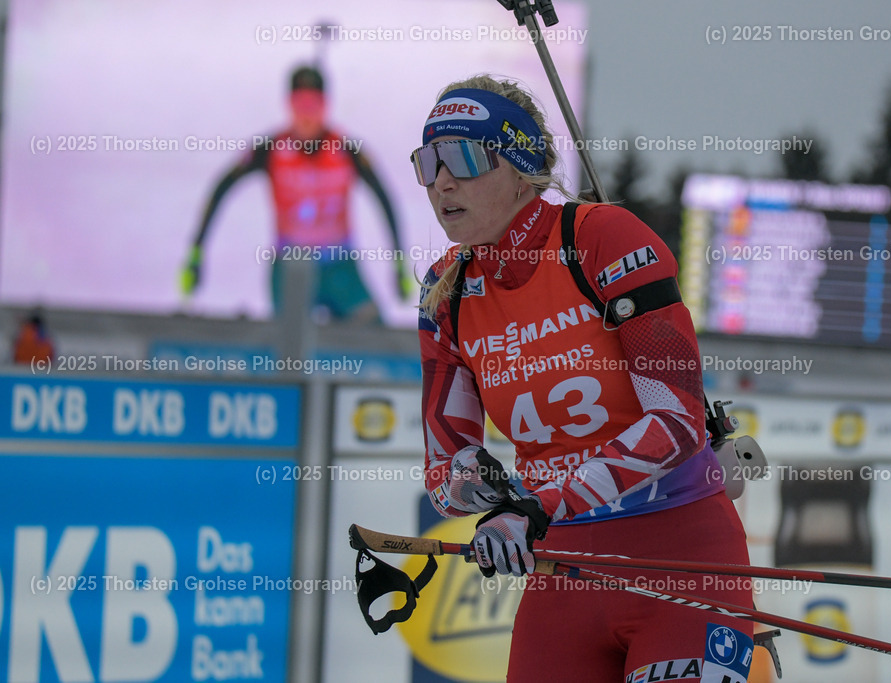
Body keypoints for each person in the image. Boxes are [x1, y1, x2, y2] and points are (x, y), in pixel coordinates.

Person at [415, 75, 754, 682]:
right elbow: (445, 467)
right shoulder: (447, 294)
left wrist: (540, 504)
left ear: (520, 168)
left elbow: (675, 421)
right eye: (428, 161)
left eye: (463, 157)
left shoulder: (601, 239)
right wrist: (491, 501)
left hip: (680, 559)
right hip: (563, 573)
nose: (442, 182)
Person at [182, 65, 410, 322]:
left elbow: (385, 199)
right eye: (300, 104)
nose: (307, 115)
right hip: (289, 264)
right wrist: (197, 252)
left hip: (340, 266)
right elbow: (221, 189)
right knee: (288, 344)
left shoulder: (348, 150)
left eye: (313, 105)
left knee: (370, 334)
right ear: (288, 105)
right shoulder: (270, 148)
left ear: (326, 105)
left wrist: (399, 262)